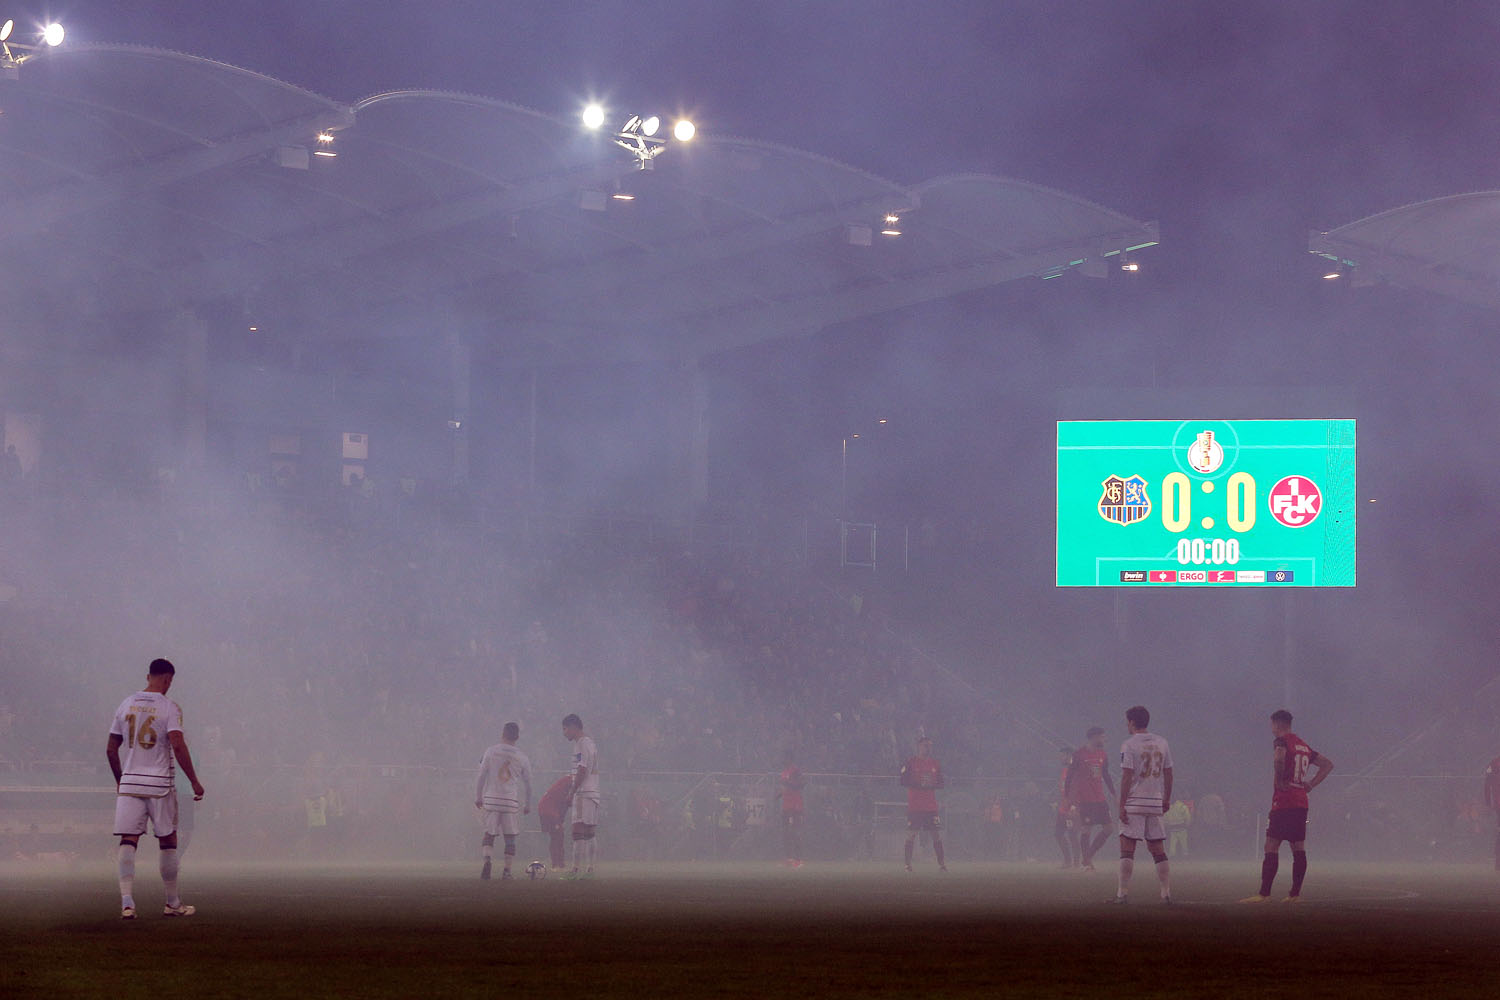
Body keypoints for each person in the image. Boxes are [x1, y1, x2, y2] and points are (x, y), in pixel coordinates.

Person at [105, 658, 205, 919]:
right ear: (168, 679)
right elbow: (177, 744)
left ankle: (127, 903)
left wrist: (120, 778)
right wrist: (194, 780)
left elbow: (111, 748)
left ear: (148, 676)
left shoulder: (125, 703)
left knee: (128, 840)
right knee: (168, 840)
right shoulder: (169, 707)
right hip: (159, 783)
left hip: (130, 782)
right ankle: (172, 903)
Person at [1242, 709, 1332, 902]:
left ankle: (1263, 893)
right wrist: (1310, 784)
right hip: (1301, 801)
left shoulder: (1282, 742)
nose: (1271, 729)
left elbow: (1279, 758)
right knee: (1298, 847)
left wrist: (1281, 779)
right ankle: (1294, 894)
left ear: (1277, 724)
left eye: (1272, 725)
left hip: (1284, 801)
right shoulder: (1303, 745)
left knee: (1271, 845)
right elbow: (1327, 765)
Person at [1108, 705, 1173, 904]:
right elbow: (1169, 773)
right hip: (1155, 801)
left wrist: (1121, 804)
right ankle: (1165, 893)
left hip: (1135, 801)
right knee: (1158, 849)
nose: (1126, 725)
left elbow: (1127, 775)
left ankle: (1122, 893)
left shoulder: (1128, 744)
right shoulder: (1162, 742)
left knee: (1127, 847)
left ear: (1132, 722)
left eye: (1127, 721)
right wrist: (1166, 799)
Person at [475, 721, 533, 880]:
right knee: (510, 837)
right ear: (517, 737)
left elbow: (481, 775)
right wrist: (528, 804)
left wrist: (478, 796)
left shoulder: (491, 751)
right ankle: (507, 871)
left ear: (502, 733)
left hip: (492, 799)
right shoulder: (521, 757)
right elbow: (528, 783)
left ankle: (487, 861)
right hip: (509, 801)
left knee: (489, 834)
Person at [1066, 727, 1118, 870]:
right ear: (1093, 737)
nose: (1104, 739)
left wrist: (1113, 793)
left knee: (1109, 829)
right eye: (1102, 737)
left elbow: (1106, 774)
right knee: (1086, 829)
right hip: (1085, 799)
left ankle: (1088, 856)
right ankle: (1087, 863)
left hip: (1100, 798)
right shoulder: (1078, 754)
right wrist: (1067, 797)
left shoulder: (1103, 754)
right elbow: (1069, 776)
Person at [898, 735, 946, 872]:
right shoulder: (911, 762)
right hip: (916, 806)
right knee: (911, 834)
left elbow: (941, 782)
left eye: (930, 745)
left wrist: (932, 784)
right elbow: (903, 780)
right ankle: (907, 865)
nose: (928, 748)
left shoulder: (935, 764)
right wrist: (918, 784)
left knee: (936, 834)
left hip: (931, 806)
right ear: (919, 746)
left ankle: (942, 864)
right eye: (925, 745)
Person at [560, 713, 599, 879]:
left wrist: (572, 792)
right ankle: (590, 870)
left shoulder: (582, 744)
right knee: (589, 831)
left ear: (574, 726)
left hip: (583, 792)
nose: (564, 732)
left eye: (565, 728)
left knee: (578, 830)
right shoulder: (590, 743)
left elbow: (582, 769)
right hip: (593, 791)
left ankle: (575, 870)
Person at [537, 775, 573, 870]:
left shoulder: (568, 780)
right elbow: (566, 803)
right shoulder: (571, 783)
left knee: (556, 836)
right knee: (558, 836)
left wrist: (561, 820)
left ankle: (558, 863)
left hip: (547, 808)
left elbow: (564, 804)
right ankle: (557, 864)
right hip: (548, 810)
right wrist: (560, 820)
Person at [779, 754, 807, 867]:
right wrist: (777, 796)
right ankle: (788, 859)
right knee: (786, 832)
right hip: (786, 805)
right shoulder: (783, 772)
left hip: (795, 805)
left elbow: (802, 784)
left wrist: (789, 784)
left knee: (796, 832)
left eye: (784, 757)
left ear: (789, 759)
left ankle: (798, 859)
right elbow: (784, 788)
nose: (782, 760)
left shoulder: (796, 771)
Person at [1053, 746, 1077, 869]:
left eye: (1062, 755)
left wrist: (1073, 806)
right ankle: (1068, 860)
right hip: (1063, 808)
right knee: (1058, 833)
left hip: (1071, 808)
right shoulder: (1064, 770)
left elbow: (1077, 789)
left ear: (1068, 755)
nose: (1060, 758)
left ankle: (1076, 862)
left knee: (1073, 834)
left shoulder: (1074, 770)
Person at [1484, 754, 1500, 872]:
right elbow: (1487, 784)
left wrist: (1489, 804)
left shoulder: (1493, 763)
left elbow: (1487, 784)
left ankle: (1498, 862)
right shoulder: (1494, 763)